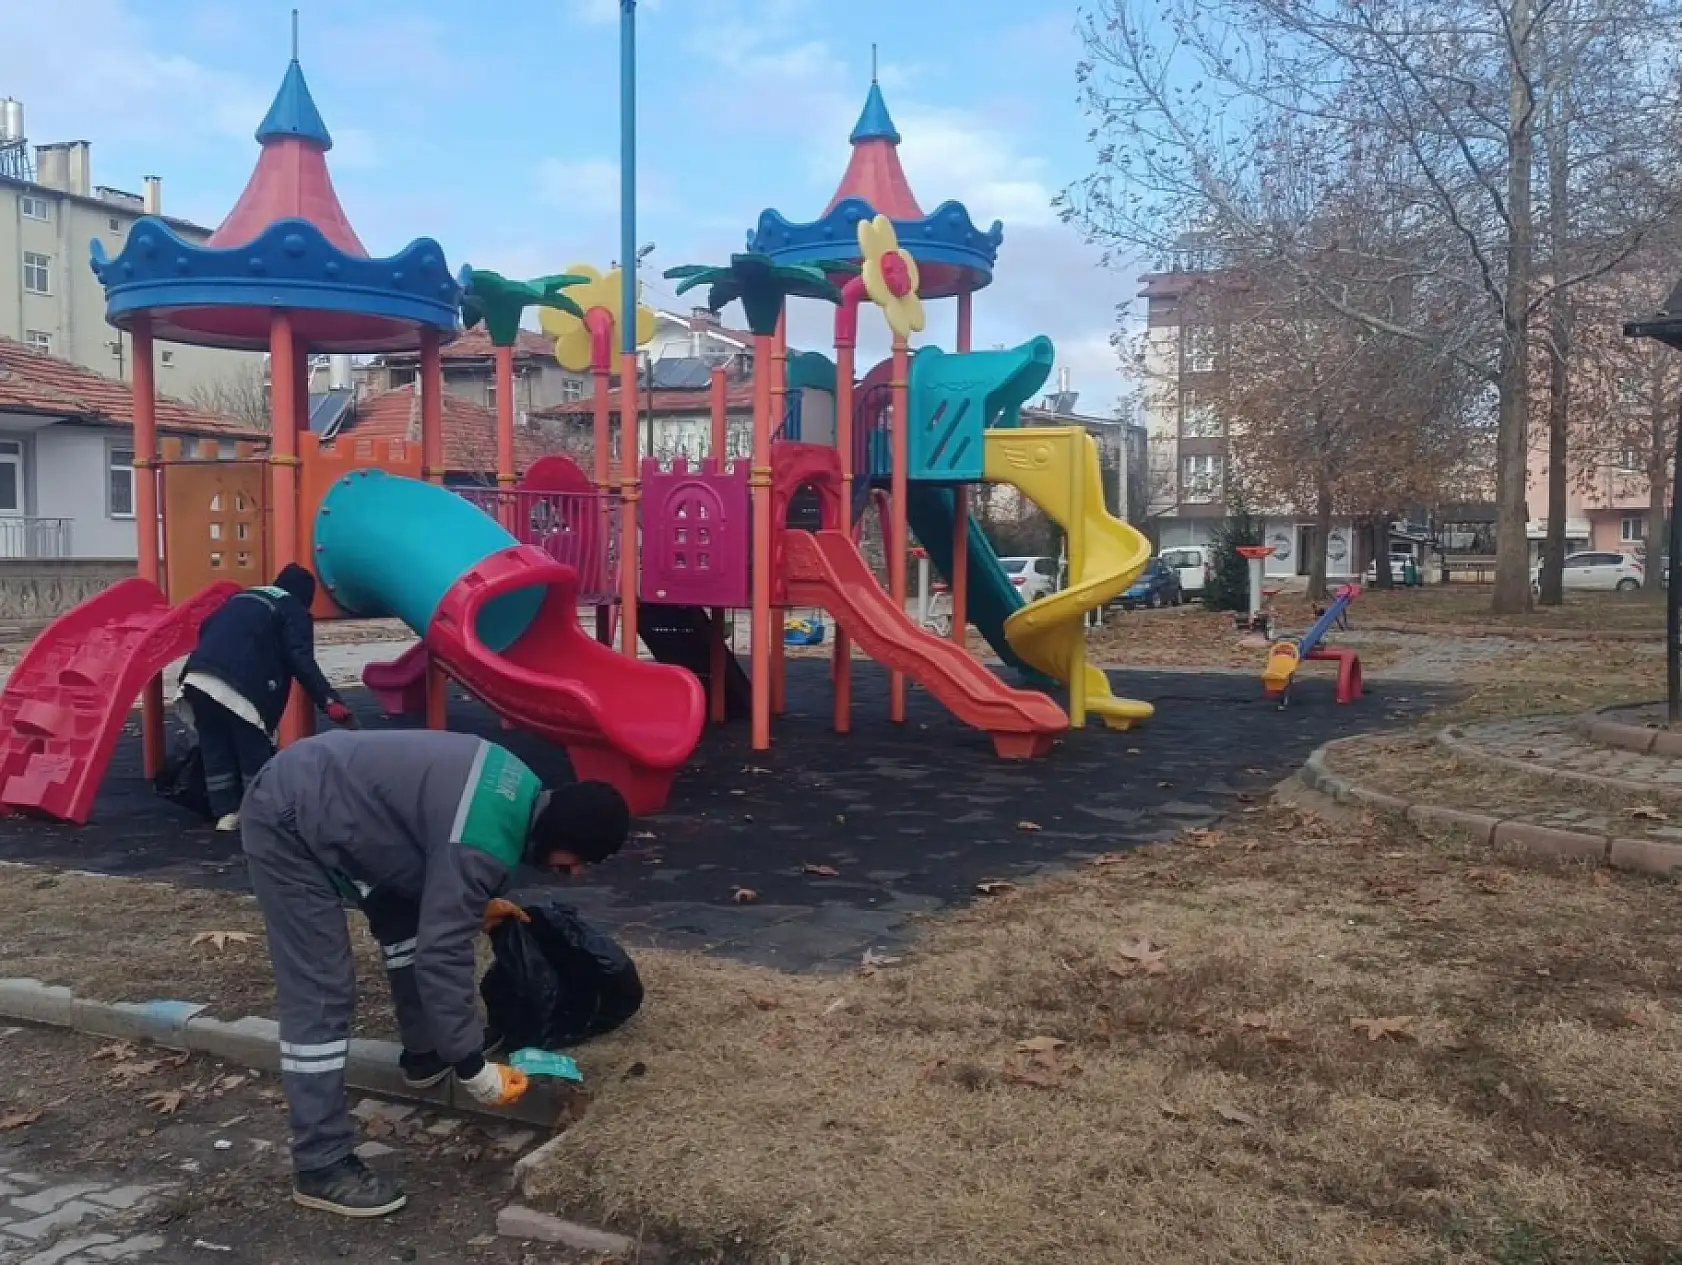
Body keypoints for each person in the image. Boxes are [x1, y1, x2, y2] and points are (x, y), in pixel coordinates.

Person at [239, 728, 631, 1218]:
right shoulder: (484, 844)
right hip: (290, 819)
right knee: (320, 991)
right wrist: (471, 1066)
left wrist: (471, 903)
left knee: (405, 918)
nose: (574, 875)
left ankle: (426, 1054)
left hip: (340, 799)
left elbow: (441, 864)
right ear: (564, 838)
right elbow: (443, 952)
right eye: (578, 863)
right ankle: (321, 1162)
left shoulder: (521, 789)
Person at [179, 563, 356, 832]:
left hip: (197, 679)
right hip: (241, 689)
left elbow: (206, 627)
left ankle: (226, 813)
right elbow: (301, 659)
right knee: (253, 751)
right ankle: (260, 814)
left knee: (216, 748)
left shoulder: (239, 599)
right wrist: (329, 700)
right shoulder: (291, 609)